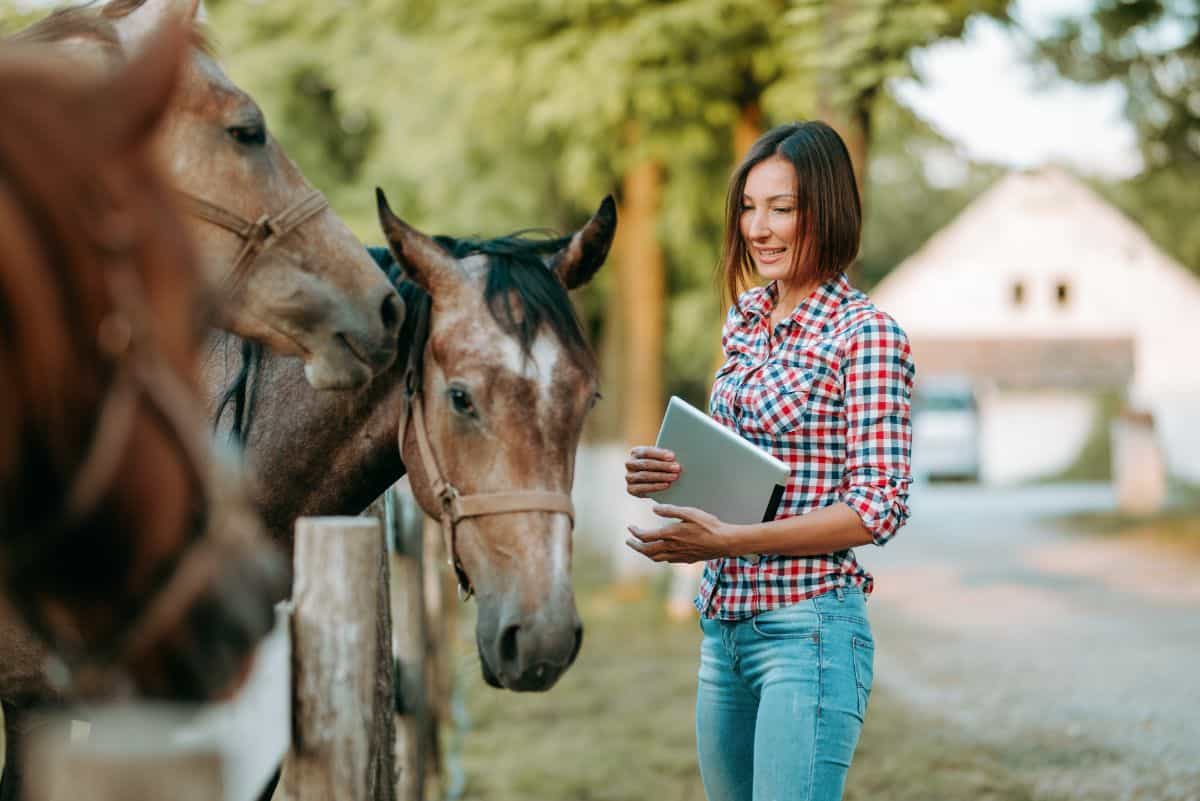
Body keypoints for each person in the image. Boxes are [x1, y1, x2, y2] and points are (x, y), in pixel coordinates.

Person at [623, 121, 914, 801]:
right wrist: (669, 471)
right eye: (749, 207)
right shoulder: (745, 319)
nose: (759, 227)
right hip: (724, 629)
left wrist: (732, 540)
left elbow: (878, 507)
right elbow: (747, 464)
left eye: (782, 208)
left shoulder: (865, 336)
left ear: (828, 210)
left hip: (807, 632)